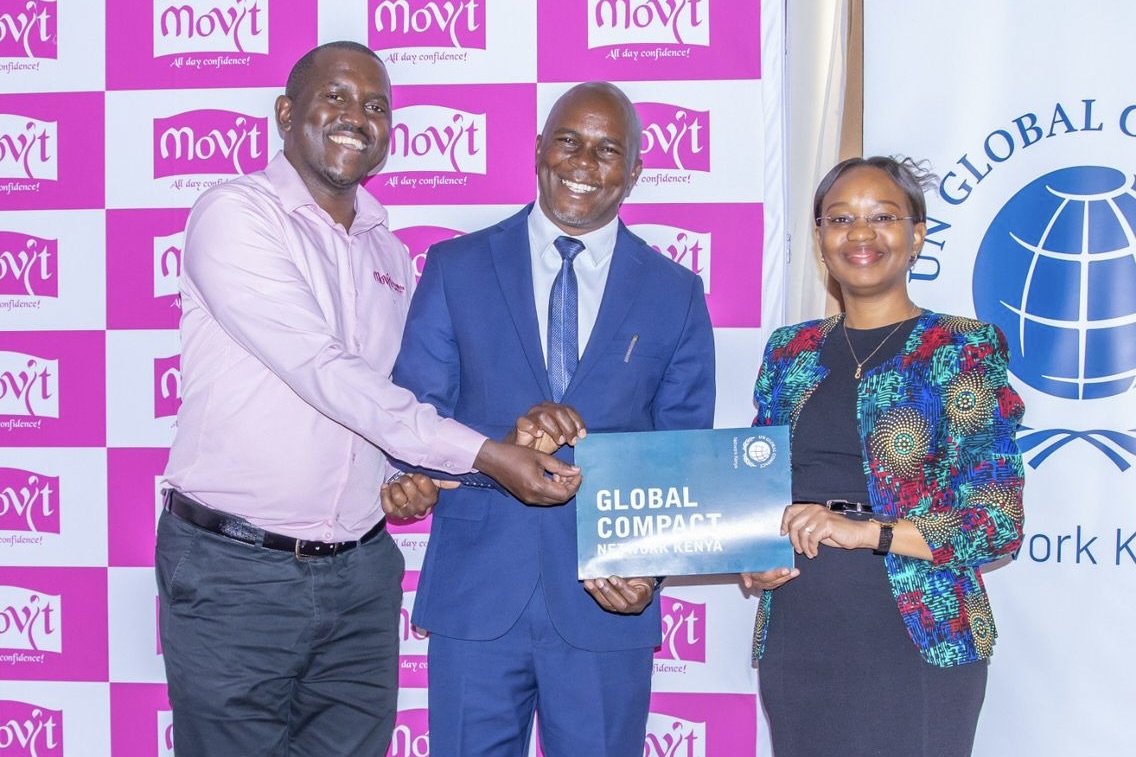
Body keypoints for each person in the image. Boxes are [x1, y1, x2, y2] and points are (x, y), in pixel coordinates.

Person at [157, 41, 579, 756]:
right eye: (337, 97)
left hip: (360, 575)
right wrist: (483, 450)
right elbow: (320, 369)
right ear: (287, 114)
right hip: (236, 573)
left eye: (377, 105)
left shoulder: (388, 253)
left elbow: (391, 399)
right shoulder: (235, 215)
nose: (358, 116)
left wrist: (400, 476)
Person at [391, 81, 716, 756]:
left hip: (606, 602)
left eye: (607, 149)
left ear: (634, 171)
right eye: (568, 141)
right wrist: (492, 445)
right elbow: (412, 417)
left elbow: (685, 455)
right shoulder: (455, 267)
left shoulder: (676, 293)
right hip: (477, 597)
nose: (582, 162)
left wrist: (649, 574)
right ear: (539, 150)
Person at [741, 156, 1026, 757]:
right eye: (840, 218)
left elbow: (997, 524)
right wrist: (751, 557)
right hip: (799, 634)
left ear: (917, 235)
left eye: (883, 217)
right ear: (820, 238)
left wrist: (864, 531)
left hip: (915, 637)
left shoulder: (962, 348)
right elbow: (754, 487)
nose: (860, 234)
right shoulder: (789, 352)